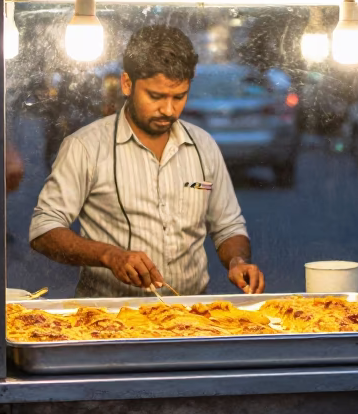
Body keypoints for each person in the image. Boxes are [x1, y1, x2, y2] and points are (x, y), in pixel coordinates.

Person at [30, 25, 265, 297]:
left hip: (192, 320)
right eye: (155, 96)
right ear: (127, 83)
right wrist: (109, 255)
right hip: (106, 321)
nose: (168, 109)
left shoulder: (204, 146)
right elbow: (44, 230)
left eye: (179, 97)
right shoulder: (85, 146)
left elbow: (228, 227)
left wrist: (238, 262)